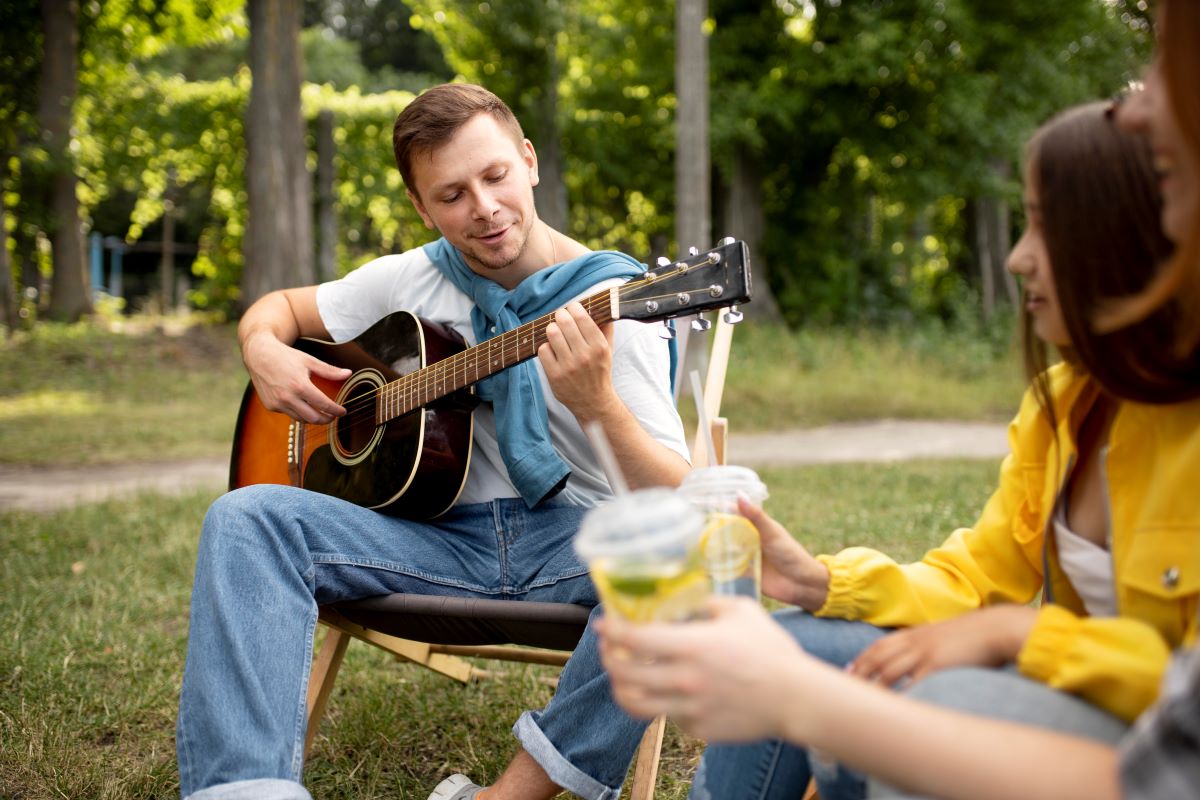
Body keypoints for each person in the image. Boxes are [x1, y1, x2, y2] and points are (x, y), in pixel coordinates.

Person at [598, 2, 1200, 798]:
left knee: (935, 695)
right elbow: (976, 580)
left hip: (1127, 729)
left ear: (1122, 236)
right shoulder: (1064, 404)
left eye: (1044, 229)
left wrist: (1029, 636)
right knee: (815, 636)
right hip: (1072, 691)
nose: (1018, 259)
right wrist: (816, 578)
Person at [175, 83, 692, 800]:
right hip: (433, 538)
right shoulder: (411, 278)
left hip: (573, 543)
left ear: (529, 161)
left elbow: (677, 501)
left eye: (495, 176)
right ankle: (246, 790)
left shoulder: (615, 305)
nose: (482, 207)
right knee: (244, 520)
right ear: (422, 207)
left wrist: (598, 405)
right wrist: (260, 343)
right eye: (451, 194)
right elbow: (285, 308)